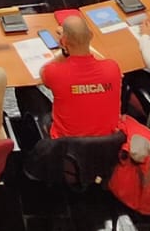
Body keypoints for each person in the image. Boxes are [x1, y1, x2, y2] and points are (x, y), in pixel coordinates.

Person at [14, 13, 121, 142]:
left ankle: (28, 145)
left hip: (66, 146)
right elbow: (97, 60)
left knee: (25, 90)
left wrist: (63, 52)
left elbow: (42, 72)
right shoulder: (113, 68)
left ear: (63, 41)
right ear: (91, 36)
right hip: (108, 146)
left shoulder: (55, 72)